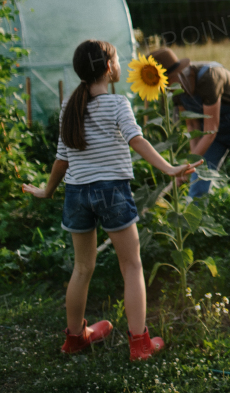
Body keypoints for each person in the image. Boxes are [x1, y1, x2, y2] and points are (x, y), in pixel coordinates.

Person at [21, 39, 201, 360]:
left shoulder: (70, 106)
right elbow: (138, 141)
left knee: (82, 267)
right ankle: (140, 344)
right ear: (109, 68)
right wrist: (171, 168)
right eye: (117, 60)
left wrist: (46, 191)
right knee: (131, 265)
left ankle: (75, 338)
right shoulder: (118, 105)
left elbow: (62, 159)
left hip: (77, 193)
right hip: (111, 191)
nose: (120, 64)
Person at [148, 47, 230, 199]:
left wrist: (188, 165)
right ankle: (194, 220)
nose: (165, 88)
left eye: (166, 81)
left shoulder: (209, 77)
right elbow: (193, 127)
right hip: (210, 133)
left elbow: (211, 129)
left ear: (178, 73)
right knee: (198, 182)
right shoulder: (176, 90)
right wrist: (192, 163)